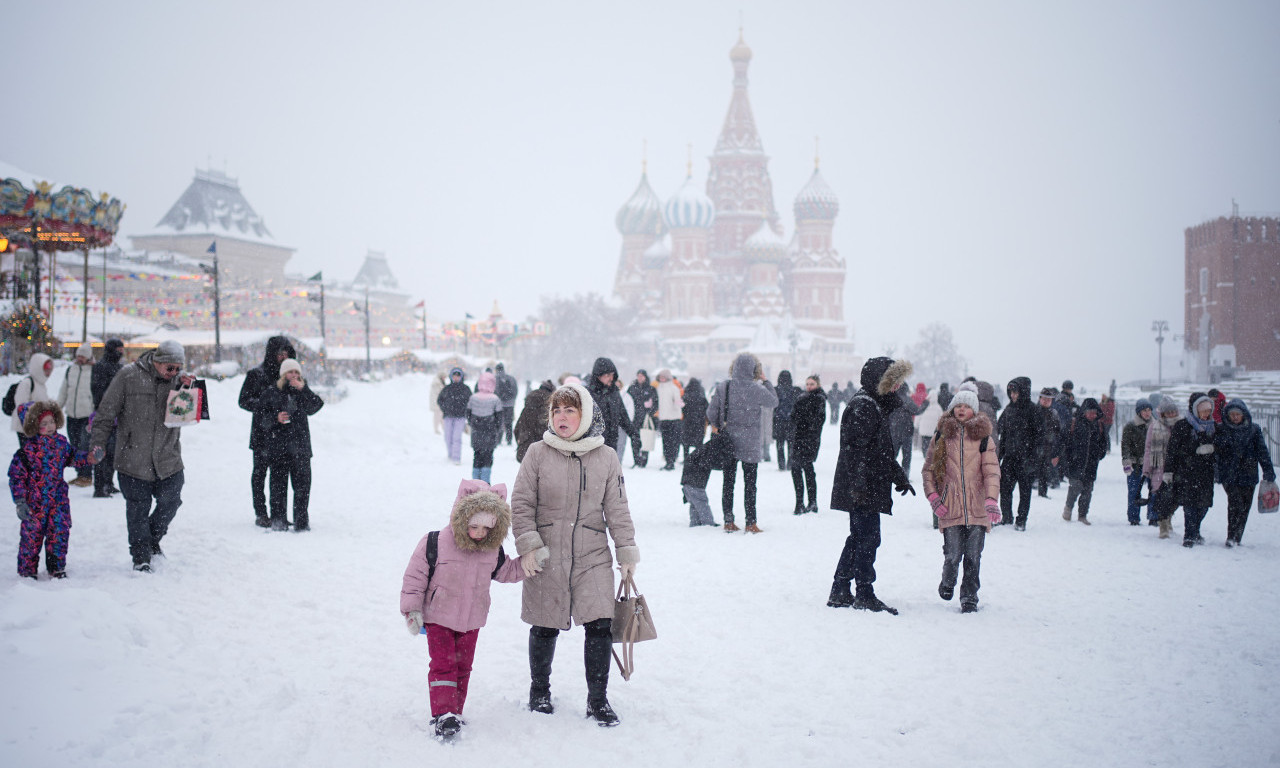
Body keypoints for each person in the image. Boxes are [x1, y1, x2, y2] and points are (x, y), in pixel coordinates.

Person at [510, 382, 639, 727]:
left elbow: (618, 509)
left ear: (584, 415)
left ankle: (598, 700)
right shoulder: (537, 453)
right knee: (544, 624)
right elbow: (521, 504)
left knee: (600, 625)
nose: (562, 417)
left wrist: (625, 551)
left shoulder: (606, 457)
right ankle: (539, 691)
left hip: (592, 554)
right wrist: (529, 545)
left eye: (569, 410)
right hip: (547, 553)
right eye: (556, 410)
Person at [400, 479, 527, 741]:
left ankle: (455, 711)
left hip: (472, 619)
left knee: (463, 666)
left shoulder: (492, 549)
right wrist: (412, 610)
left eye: (486, 528)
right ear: (461, 517)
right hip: (439, 617)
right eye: (473, 526)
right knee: (444, 664)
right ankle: (443, 713)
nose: (479, 532)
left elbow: (505, 571)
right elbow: (415, 578)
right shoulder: (434, 542)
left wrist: (529, 564)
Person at [88, 340, 194, 572]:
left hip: (168, 459)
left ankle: (151, 539)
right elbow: (105, 413)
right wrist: (98, 444)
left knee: (171, 501)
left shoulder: (180, 381)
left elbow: (190, 416)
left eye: (178, 368)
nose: (174, 373)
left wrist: (190, 389)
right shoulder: (128, 376)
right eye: (170, 368)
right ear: (158, 362)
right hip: (133, 458)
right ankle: (141, 556)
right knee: (137, 509)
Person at [827, 356, 916, 614]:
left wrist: (897, 476)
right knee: (867, 539)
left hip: (867, 483)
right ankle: (863, 592)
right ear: (882, 381)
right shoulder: (864, 406)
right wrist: (859, 484)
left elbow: (880, 451)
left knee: (860, 538)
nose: (898, 387)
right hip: (863, 486)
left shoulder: (874, 404)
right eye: (895, 381)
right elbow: (857, 451)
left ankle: (841, 589)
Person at [921, 390, 1001, 613]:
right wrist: (934, 497)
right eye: (958, 406)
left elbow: (992, 471)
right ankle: (948, 581)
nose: (961, 410)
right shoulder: (942, 436)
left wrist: (991, 499)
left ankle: (969, 597)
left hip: (977, 507)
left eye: (966, 406)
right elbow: (928, 470)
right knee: (953, 554)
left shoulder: (984, 438)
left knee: (974, 556)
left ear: (974, 410)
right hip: (950, 506)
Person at [10, 402, 89, 579]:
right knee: (31, 538)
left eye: (51, 422)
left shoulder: (61, 444)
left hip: (58, 500)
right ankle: (27, 571)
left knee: (59, 533)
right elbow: (17, 478)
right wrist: (20, 501)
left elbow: (73, 457)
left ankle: (56, 567)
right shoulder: (27, 451)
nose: (49, 427)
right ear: (34, 426)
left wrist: (89, 457)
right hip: (34, 503)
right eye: (43, 424)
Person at [706, 353, 778, 533]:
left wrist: (716, 425)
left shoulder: (725, 386)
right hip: (751, 442)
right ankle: (750, 522)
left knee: (728, 482)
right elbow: (773, 401)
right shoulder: (757, 389)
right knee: (750, 483)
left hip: (728, 441)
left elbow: (711, 411)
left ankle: (728, 521)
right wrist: (766, 380)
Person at [254, 359, 324, 531]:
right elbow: (260, 419)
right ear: (283, 375)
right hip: (278, 447)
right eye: (290, 372)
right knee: (278, 487)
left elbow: (316, 405)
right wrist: (275, 418)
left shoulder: (302, 392)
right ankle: (279, 522)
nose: (294, 376)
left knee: (302, 487)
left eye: (297, 373)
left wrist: (303, 389)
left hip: (300, 448)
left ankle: (301, 523)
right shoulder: (271, 393)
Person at [238, 336, 296, 528]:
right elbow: (244, 401)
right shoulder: (257, 374)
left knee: (279, 477)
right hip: (263, 432)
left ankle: (278, 514)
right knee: (260, 474)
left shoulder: (288, 375)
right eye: (280, 353)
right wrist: (269, 411)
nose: (283, 357)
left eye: (287, 353)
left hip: (283, 435)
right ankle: (261, 513)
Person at [1215, 399, 1275, 547]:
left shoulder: (1253, 430)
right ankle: (1231, 536)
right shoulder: (1221, 429)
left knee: (1245, 506)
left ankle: (1238, 536)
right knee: (1235, 503)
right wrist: (1217, 471)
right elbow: (1216, 453)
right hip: (1229, 473)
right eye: (1232, 414)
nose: (1235, 417)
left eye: (1238, 414)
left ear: (1244, 415)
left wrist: (1268, 471)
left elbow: (1262, 452)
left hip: (1248, 473)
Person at [1166, 393, 1218, 547]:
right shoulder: (1183, 426)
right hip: (1187, 471)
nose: (1206, 413)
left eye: (1208, 410)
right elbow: (1173, 450)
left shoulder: (1214, 427)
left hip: (1206, 472)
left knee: (1203, 506)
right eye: (1203, 410)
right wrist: (1169, 471)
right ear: (1195, 409)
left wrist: (1213, 448)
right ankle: (1189, 535)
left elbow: (1222, 445)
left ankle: (1196, 530)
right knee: (1190, 504)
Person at [996, 376, 1043, 530]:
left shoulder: (1033, 410)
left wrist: (1034, 458)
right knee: (1005, 489)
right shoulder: (1008, 410)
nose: (1013, 396)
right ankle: (1007, 517)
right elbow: (1002, 434)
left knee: (1025, 491)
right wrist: (999, 456)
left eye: (1016, 392)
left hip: (1026, 459)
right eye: (1011, 393)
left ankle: (1021, 520)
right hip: (1009, 458)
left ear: (1023, 392)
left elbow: (1039, 437)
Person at [1061, 398, 1108, 525]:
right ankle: (1068, 509)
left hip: (1092, 465)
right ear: (1083, 412)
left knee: (1087, 490)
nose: (1092, 415)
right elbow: (1064, 441)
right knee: (1074, 487)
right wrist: (1068, 458)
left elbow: (1104, 444)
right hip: (1075, 463)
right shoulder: (1074, 423)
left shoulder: (1099, 426)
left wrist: (1098, 455)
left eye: (1094, 412)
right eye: (1089, 412)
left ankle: (1082, 515)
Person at [1142, 397, 1182, 539]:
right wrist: (1147, 469)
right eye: (1168, 412)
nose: (1171, 415)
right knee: (1162, 497)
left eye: (1173, 412)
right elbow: (1148, 447)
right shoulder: (1155, 426)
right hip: (1159, 466)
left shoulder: (1182, 425)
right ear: (1163, 414)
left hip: (1177, 467)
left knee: (1176, 497)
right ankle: (1163, 524)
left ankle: (1168, 516)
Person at [585, 357, 637, 466]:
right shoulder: (588, 394)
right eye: (607, 375)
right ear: (598, 376)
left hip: (611, 444)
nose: (611, 378)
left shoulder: (614, 393)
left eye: (612, 375)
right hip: (593, 446)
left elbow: (622, 416)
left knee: (610, 477)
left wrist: (633, 434)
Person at [58, 342, 95, 488]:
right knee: (74, 445)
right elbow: (63, 390)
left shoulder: (93, 371)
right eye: (78, 355)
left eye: (83, 356)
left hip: (87, 416)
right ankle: (80, 474)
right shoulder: (70, 370)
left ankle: (86, 475)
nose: (80, 358)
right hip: (72, 415)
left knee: (85, 446)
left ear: (88, 357)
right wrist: (57, 408)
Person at [90, 339, 125, 497]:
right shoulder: (101, 367)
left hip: (117, 416)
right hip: (104, 416)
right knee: (101, 450)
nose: (121, 352)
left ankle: (108, 483)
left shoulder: (119, 367)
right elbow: (98, 392)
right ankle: (99, 486)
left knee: (113, 452)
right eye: (119, 349)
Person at [789, 374, 827, 515]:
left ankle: (812, 502)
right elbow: (793, 417)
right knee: (796, 469)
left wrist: (805, 425)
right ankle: (799, 502)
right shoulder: (801, 398)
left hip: (810, 439)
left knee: (807, 469)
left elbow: (818, 421)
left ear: (817, 384)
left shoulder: (820, 399)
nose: (809, 386)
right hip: (798, 438)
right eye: (807, 384)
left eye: (812, 384)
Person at [1121, 399, 1154, 526]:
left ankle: (1153, 516)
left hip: (1152, 463)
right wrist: (1127, 462)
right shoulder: (1131, 426)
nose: (1147, 413)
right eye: (1145, 410)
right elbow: (1126, 445)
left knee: (1154, 490)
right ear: (1139, 411)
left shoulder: (1155, 425)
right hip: (1136, 463)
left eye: (1149, 410)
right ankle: (1133, 517)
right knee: (1134, 491)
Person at [466, 371, 502, 484]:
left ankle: (475, 481)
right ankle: (485, 482)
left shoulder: (473, 398)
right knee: (488, 457)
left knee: (476, 456)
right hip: (490, 432)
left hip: (476, 432)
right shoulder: (495, 399)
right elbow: (499, 418)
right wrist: (496, 429)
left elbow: (468, 414)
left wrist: (474, 424)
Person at [9, 352, 52, 447]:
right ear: (39, 368)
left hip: (36, 427)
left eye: (49, 370)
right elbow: (21, 406)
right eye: (46, 369)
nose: (48, 373)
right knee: (29, 456)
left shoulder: (41, 384)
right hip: (24, 428)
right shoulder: (27, 383)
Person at [887, 382, 927, 478]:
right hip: (906, 431)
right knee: (906, 456)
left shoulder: (891, 399)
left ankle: (889, 473)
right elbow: (917, 411)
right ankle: (905, 475)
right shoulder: (907, 400)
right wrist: (926, 403)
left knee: (893, 454)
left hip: (894, 431)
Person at [515, 379, 556, 462]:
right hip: (545, 452)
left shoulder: (527, 409)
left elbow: (516, 429)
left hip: (525, 449)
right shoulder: (550, 411)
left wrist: (522, 441)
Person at [437, 367, 471, 465]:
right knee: (448, 437)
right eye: (454, 375)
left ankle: (456, 457)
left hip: (460, 417)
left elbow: (470, 402)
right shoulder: (447, 388)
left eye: (458, 376)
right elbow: (440, 400)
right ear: (451, 376)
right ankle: (450, 454)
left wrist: (466, 412)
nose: (456, 378)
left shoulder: (465, 389)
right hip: (448, 416)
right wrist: (445, 409)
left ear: (461, 377)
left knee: (457, 437)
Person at [652, 369, 684, 471]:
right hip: (663, 418)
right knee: (665, 441)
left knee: (673, 441)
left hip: (674, 418)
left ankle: (671, 461)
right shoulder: (658, 388)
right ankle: (668, 461)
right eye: (660, 377)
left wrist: (678, 404)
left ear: (668, 377)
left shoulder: (674, 388)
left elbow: (677, 400)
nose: (662, 379)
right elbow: (656, 401)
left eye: (663, 377)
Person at [626, 370, 657, 468]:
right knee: (634, 440)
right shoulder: (632, 388)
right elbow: (627, 402)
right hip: (634, 418)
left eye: (642, 376)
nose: (640, 378)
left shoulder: (651, 389)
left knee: (645, 438)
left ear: (645, 377)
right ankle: (636, 460)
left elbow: (656, 403)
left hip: (645, 419)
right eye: (638, 375)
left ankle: (644, 460)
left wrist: (649, 412)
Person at [1035, 387, 1063, 495]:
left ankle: (1043, 492)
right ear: (1040, 399)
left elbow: (1058, 433)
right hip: (1035, 446)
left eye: (1049, 399)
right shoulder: (1034, 412)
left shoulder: (1054, 414)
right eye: (1044, 399)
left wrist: (1056, 451)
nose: (1046, 401)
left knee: (1045, 470)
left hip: (1048, 447)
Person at [772, 370, 801, 472]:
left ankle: (781, 464)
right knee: (791, 443)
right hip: (791, 421)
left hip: (778, 420)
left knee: (780, 444)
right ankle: (790, 463)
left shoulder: (775, 390)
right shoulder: (796, 390)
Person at [679, 377, 708, 463]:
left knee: (686, 443)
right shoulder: (702, 396)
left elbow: (682, 408)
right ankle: (697, 459)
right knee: (698, 442)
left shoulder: (686, 395)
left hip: (687, 422)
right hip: (699, 422)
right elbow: (707, 408)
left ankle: (686, 458)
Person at [494, 362, 519, 446]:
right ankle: (509, 440)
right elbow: (515, 391)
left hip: (499, 404)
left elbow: (495, 391)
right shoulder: (511, 378)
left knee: (499, 422)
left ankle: (498, 439)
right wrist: (512, 400)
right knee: (509, 423)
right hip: (510, 404)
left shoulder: (496, 379)